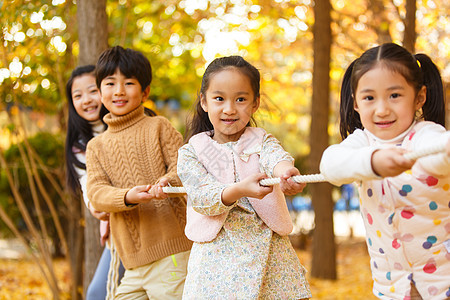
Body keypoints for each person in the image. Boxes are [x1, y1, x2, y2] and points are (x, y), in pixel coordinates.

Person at [320, 43, 450, 299]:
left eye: (394, 96)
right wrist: (373, 162)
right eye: (369, 98)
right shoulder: (362, 143)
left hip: (442, 283)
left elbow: (439, 156)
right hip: (392, 287)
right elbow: (330, 165)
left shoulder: (427, 135)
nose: (382, 109)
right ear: (356, 103)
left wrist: (430, 157)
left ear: (419, 97)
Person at [177, 55, 312, 299]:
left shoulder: (260, 141)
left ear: (255, 104)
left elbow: (276, 158)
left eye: (240, 99)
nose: (229, 109)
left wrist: (285, 173)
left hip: (269, 254)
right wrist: (240, 189)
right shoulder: (192, 151)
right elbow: (202, 196)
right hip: (216, 257)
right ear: (204, 102)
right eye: (219, 99)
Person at [86, 46, 192, 299]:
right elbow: (96, 192)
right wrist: (127, 197)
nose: (119, 91)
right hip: (131, 263)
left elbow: (185, 166)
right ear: (100, 92)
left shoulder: (158, 126)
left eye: (129, 83)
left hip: (173, 254)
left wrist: (167, 181)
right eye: (110, 83)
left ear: (144, 92)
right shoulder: (96, 146)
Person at [64, 64, 125, 299]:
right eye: (77, 96)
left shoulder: (139, 123)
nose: (86, 100)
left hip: (156, 220)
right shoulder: (80, 144)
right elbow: (87, 183)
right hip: (117, 223)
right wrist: (95, 206)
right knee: (98, 294)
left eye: (92, 91)